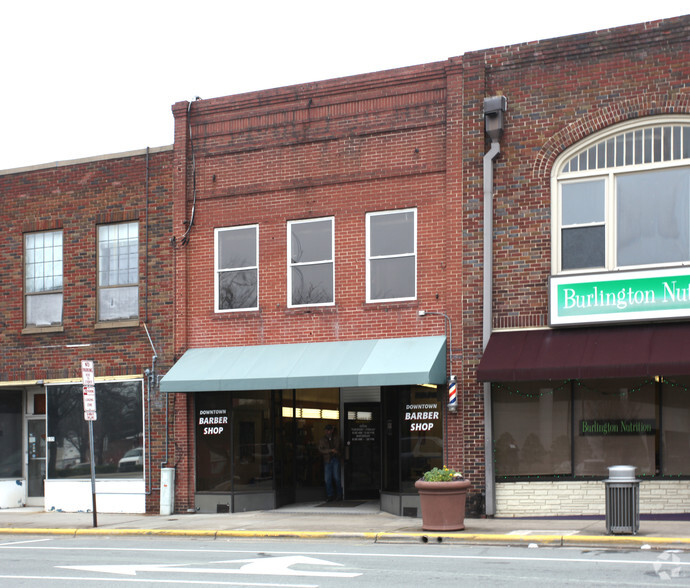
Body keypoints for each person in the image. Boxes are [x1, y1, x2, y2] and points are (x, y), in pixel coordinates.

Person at [318, 424, 342, 501]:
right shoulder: (322, 440)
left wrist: (336, 452)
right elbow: (320, 450)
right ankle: (330, 495)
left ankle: (339, 495)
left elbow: (339, 448)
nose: (328, 432)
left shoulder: (337, 438)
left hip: (335, 459)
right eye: (327, 430)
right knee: (327, 479)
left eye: (329, 430)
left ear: (332, 430)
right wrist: (330, 450)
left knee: (337, 478)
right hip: (327, 460)